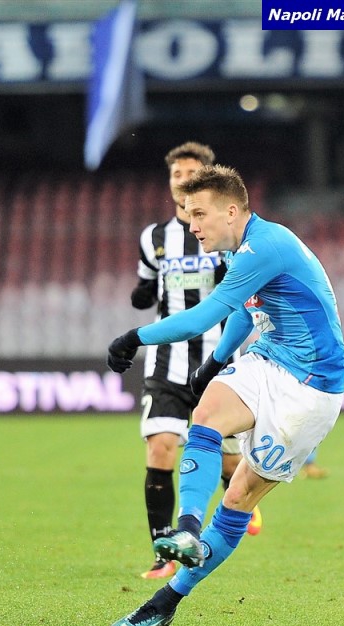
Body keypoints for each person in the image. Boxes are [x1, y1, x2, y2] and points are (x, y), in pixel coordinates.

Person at [106, 164, 344, 626]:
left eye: (200, 213)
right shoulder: (244, 249)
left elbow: (204, 317)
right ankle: (187, 529)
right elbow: (244, 310)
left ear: (232, 211)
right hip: (271, 356)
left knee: (238, 498)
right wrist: (215, 363)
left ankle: (167, 599)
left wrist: (133, 337)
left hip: (313, 387)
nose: (191, 224)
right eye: (187, 213)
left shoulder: (264, 247)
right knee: (207, 413)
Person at [130, 142, 257, 581]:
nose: (183, 181)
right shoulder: (153, 238)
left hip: (219, 357)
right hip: (168, 360)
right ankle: (163, 550)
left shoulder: (227, 234)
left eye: (191, 173)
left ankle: (243, 498)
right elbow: (146, 284)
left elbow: (241, 290)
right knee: (161, 445)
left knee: (229, 461)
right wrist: (142, 292)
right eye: (176, 174)